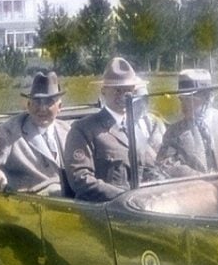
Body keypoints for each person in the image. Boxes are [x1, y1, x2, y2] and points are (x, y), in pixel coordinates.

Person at [64, 57, 160, 202]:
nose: (123, 96)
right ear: (104, 91)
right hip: (102, 212)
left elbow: (149, 169)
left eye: (128, 91)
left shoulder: (135, 130)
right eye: (117, 90)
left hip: (137, 209)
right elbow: (80, 179)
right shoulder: (84, 129)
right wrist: (125, 198)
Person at [0, 71, 70, 196]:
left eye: (49, 102)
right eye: (37, 102)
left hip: (71, 202)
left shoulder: (68, 131)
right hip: (30, 204)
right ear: (28, 105)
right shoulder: (12, 131)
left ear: (60, 107)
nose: (42, 108)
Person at [158, 69, 218, 176]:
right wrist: (201, 178)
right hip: (194, 189)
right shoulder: (173, 132)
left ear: (207, 98)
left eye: (189, 100)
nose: (183, 106)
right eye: (181, 100)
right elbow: (166, 165)